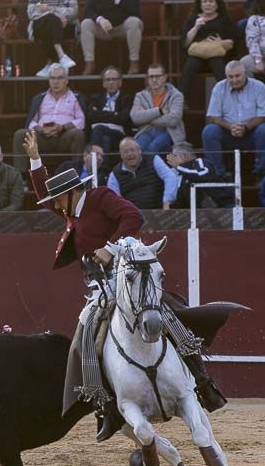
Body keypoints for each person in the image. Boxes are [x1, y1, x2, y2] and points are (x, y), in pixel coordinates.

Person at [21, 129, 225, 443]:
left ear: (74, 192)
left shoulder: (100, 197)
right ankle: (105, 407)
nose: (55, 205)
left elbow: (133, 215)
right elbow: (41, 193)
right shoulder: (69, 209)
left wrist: (110, 247)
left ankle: (202, 381)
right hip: (100, 286)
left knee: (166, 313)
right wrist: (35, 158)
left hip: (128, 272)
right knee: (85, 335)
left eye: (58, 198)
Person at [202, 60, 265, 181]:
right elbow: (214, 116)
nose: (234, 80)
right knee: (209, 131)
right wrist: (230, 127)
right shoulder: (219, 88)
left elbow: (264, 116)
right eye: (230, 77)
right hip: (228, 132)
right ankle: (218, 175)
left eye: (237, 76)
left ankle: (260, 174)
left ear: (245, 73)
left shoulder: (259, 87)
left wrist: (245, 128)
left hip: (251, 133)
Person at [12, 64, 86, 171]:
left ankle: (77, 175)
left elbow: (81, 121)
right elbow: (31, 122)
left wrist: (62, 127)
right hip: (42, 137)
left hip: (64, 137)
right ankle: (19, 177)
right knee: (20, 134)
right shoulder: (40, 98)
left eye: (60, 78)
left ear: (66, 80)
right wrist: (41, 129)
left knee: (79, 134)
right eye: (52, 78)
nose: (56, 82)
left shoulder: (76, 97)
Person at [79, 0, 143, 75]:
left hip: (122, 27)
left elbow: (135, 10)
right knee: (86, 24)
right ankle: (89, 63)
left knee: (134, 22)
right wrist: (100, 19)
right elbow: (88, 10)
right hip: (104, 30)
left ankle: (134, 63)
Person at [179, 0, 236, 105]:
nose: (207, 4)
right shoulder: (193, 19)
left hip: (217, 55)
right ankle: (181, 101)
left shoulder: (223, 19)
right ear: (200, 4)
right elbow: (185, 43)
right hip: (198, 56)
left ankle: (229, 100)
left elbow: (233, 40)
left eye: (210, 1)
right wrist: (196, 27)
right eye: (204, 1)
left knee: (219, 66)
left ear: (216, 4)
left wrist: (222, 42)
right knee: (189, 66)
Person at [27, 0, 79, 76]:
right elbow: (31, 13)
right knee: (49, 20)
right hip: (41, 28)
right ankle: (61, 55)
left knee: (49, 20)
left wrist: (50, 8)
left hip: (66, 27)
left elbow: (74, 11)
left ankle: (50, 64)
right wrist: (56, 15)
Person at [107, 136, 180, 210]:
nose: (129, 154)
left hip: (158, 211)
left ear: (139, 151)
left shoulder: (154, 160)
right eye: (125, 152)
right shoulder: (115, 174)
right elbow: (113, 199)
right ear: (121, 155)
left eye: (132, 150)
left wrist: (167, 201)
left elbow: (170, 177)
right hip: (132, 215)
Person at [129, 63, 185, 156]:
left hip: (168, 131)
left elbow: (174, 119)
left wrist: (147, 117)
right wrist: (159, 111)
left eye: (157, 76)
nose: (154, 80)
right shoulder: (140, 95)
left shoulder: (176, 95)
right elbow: (135, 117)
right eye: (151, 77)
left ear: (164, 77)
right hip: (146, 130)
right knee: (137, 149)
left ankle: (150, 171)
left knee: (153, 148)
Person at [166, 142, 234, 208]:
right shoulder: (184, 173)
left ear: (184, 155)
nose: (172, 159)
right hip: (199, 212)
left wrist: (179, 167)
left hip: (223, 205)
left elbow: (203, 175)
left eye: (174, 156)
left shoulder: (200, 161)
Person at [85, 66, 133, 154]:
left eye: (114, 79)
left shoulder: (126, 98)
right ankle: (103, 167)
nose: (111, 82)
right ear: (103, 83)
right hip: (101, 136)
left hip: (120, 137)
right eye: (108, 80)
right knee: (105, 139)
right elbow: (91, 116)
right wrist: (114, 114)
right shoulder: (96, 98)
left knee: (98, 128)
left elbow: (124, 118)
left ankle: (92, 160)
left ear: (120, 82)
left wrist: (101, 115)